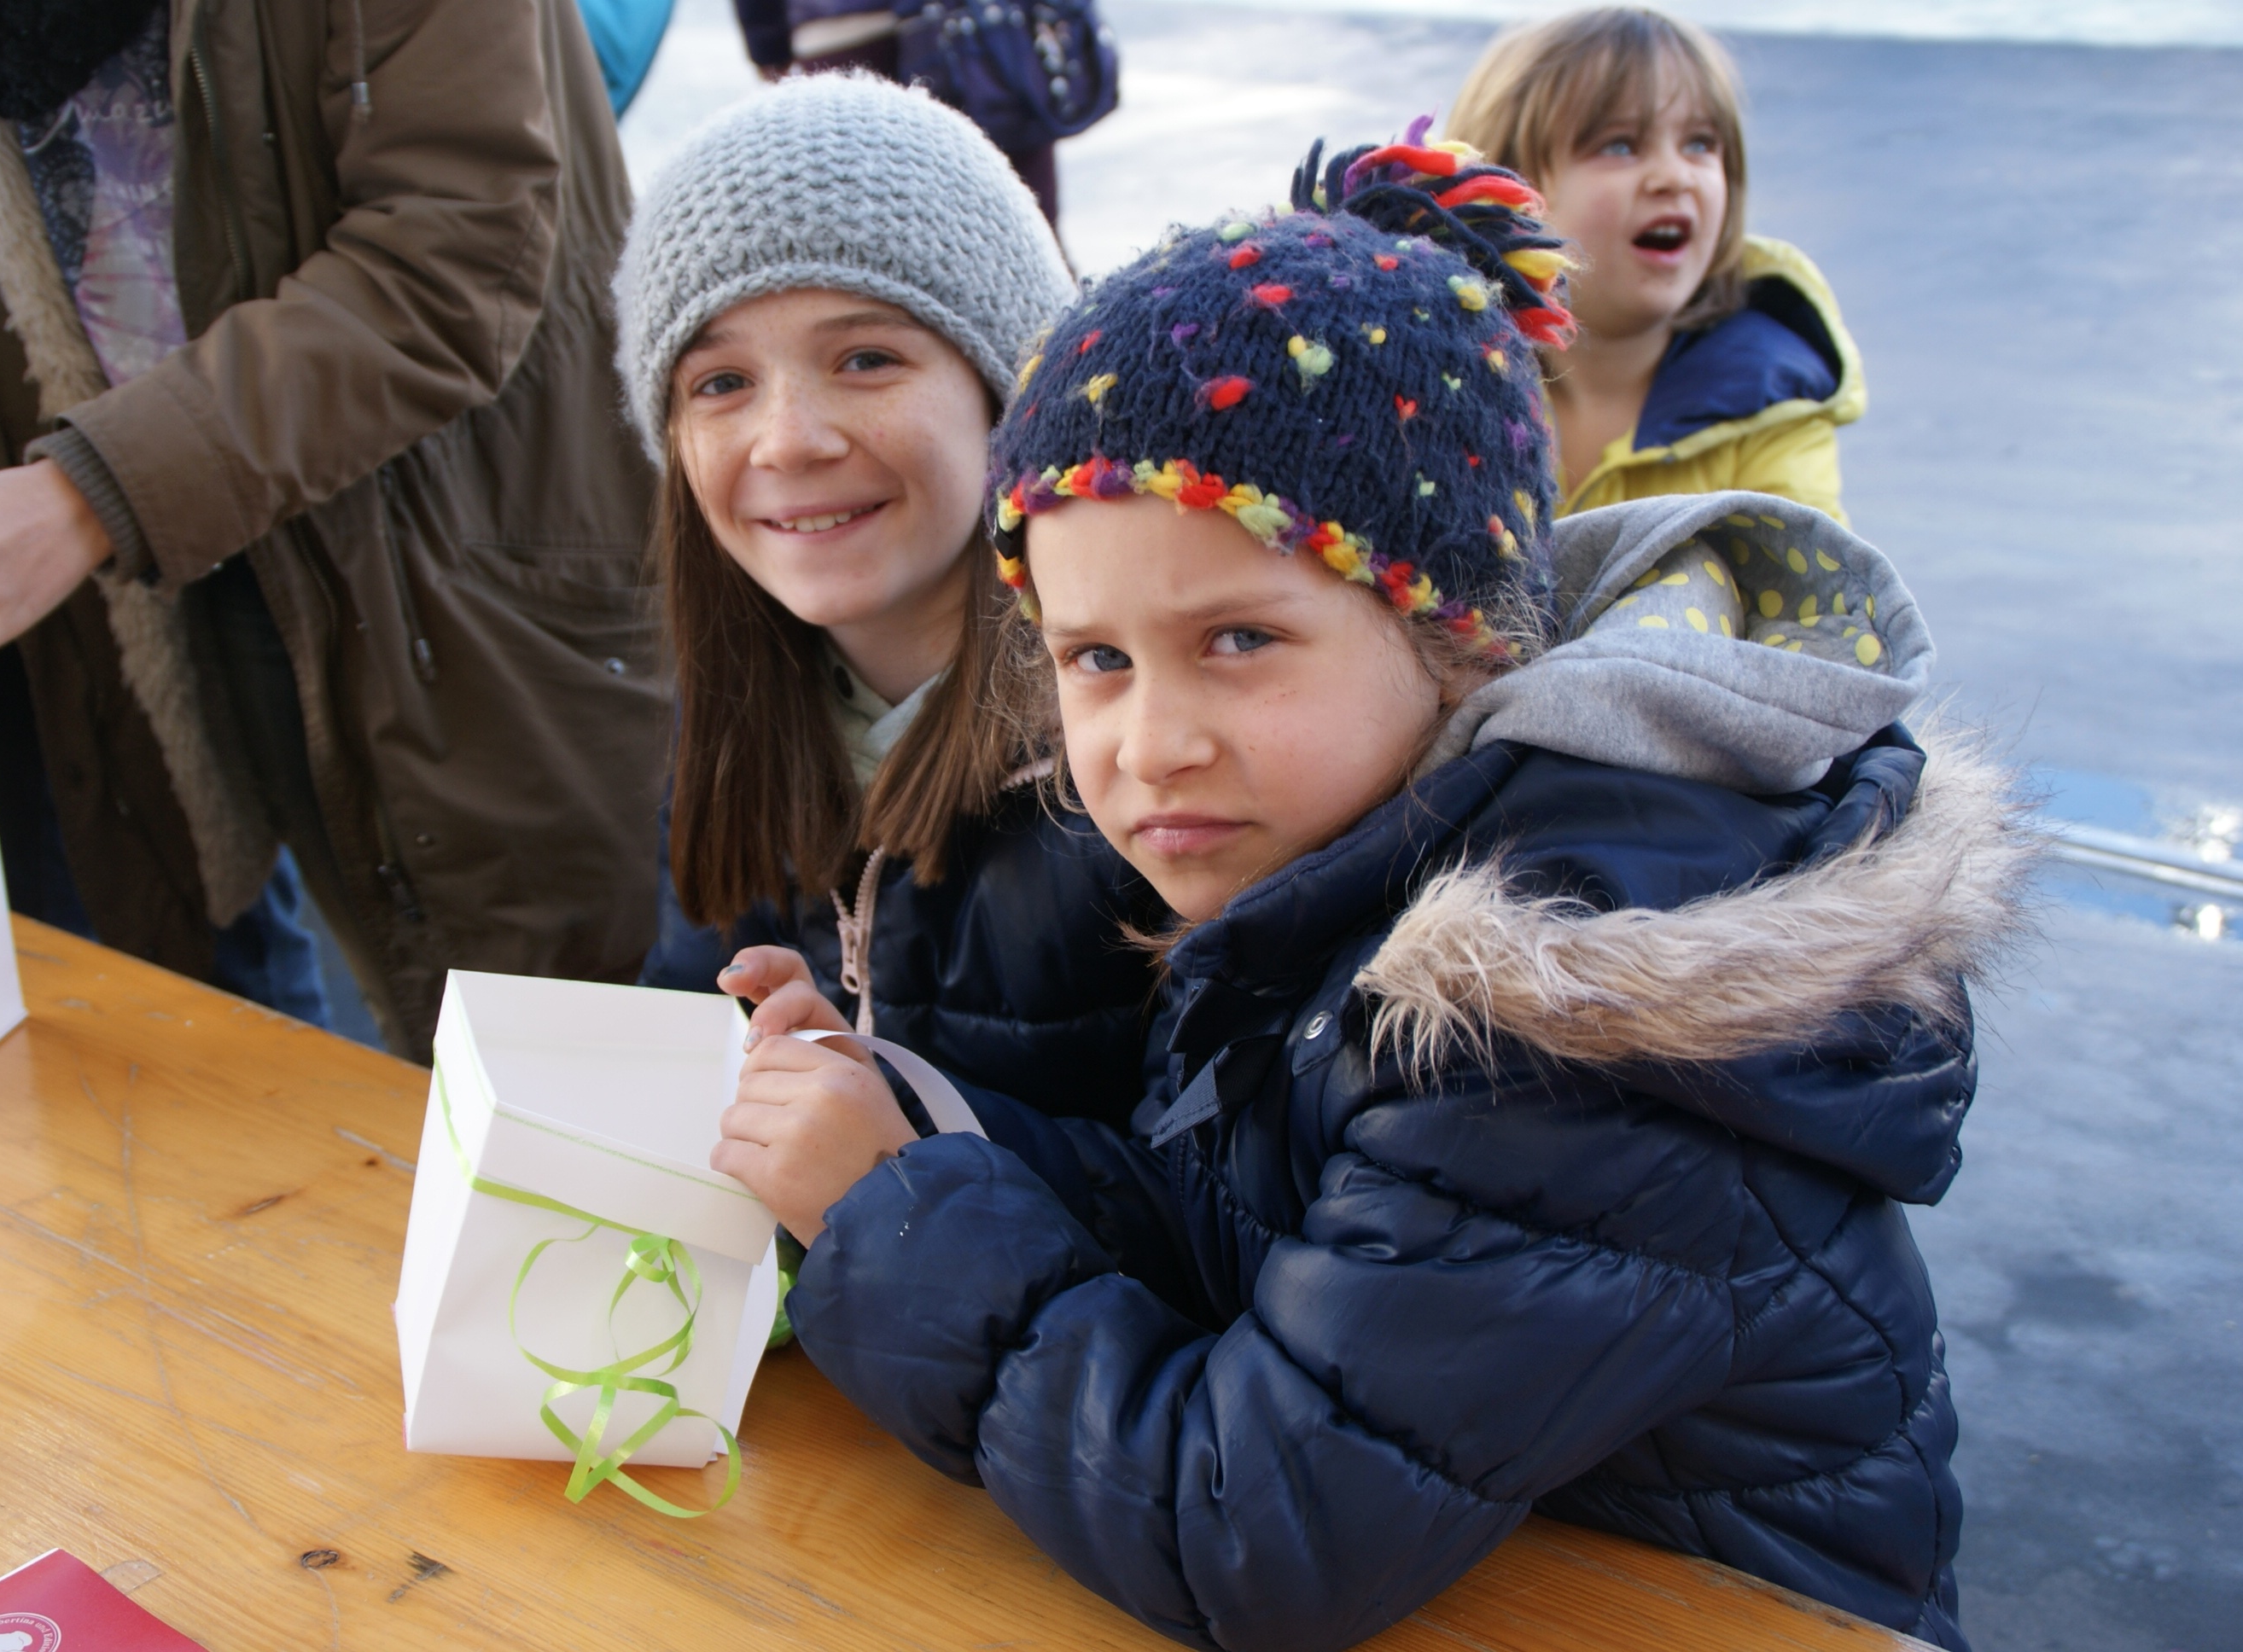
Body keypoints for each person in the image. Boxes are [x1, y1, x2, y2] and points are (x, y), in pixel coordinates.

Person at [705, 133, 2036, 1651]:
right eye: (1097, 660)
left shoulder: (1560, 1017)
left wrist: (892, 1214)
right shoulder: (1341, 885)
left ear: (1461, 641)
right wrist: (910, 1114)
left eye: (1239, 642)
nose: (1149, 744)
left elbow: (1249, 1532)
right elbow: (1253, 1244)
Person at [0, 0, 663, 1057]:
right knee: (253, 1059)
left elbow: (450, 256)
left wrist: (79, 496)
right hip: (146, 587)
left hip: (453, 558)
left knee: (567, 1049)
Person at [616, 72, 1162, 1125]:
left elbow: (1211, 1211)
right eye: (720, 383)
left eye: (866, 358)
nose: (788, 439)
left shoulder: (1141, 754)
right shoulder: (741, 719)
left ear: (1006, 395)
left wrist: (893, 1155)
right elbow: (679, 1054)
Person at [1446, 6, 1862, 521]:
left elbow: (1807, 594)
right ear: (1505, 190)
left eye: (1700, 144)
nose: (1674, 176)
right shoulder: (1446, 373)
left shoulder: (1768, 402)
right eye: (1620, 145)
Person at [729, 0, 1063, 227]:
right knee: (1026, 218)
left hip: (848, 29)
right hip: (973, 26)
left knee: (860, 235)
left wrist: (766, 42)